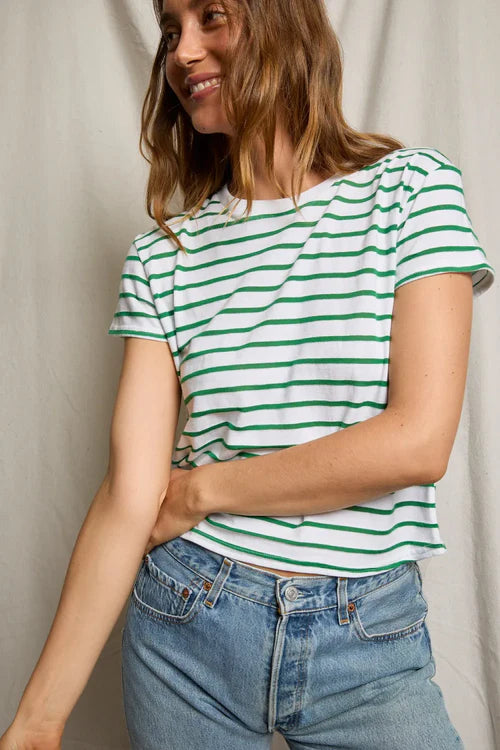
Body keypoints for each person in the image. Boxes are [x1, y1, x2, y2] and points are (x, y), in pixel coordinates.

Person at [1, 1, 495, 748]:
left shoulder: (412, 192)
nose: (182, 51)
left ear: (281, 21)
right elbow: (130, 494)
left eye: (212, 16)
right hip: (188, 623)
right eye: (172, 29)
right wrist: (38, 720)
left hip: (368, 637)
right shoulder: (163, 257)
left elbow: (416, 444)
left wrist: (203, 488)